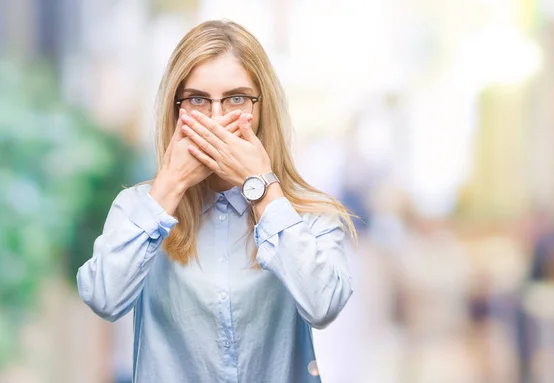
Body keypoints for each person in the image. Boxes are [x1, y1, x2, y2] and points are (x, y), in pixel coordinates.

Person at [76, 20, 356, 383]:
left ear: (262, 106)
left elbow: (324, 306)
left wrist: (262, 189)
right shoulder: (137, 207)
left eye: (236, 98)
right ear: (175, 109)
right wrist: (169, 187)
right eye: (197, 100)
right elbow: (103, 299)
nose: (217, 117)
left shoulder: (308, 214)